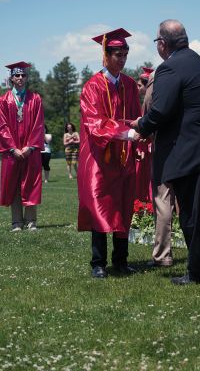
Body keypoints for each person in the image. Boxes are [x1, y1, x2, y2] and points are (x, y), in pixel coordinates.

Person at [131, 19, 200, 284]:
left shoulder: (170, 67)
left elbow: (161, 110)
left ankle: (199, 271)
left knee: (193, 215)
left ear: (162, 44)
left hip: (193, 152)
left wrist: (142, 125)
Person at [77, 28, 142, 278]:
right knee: (100, 205)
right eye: (117, 54)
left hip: (123, 157)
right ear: (105, 54)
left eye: (125, 53)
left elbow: (137, 118)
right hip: (99, 157)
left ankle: (121, 260)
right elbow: (94, 122)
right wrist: (124, 133)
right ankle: (98, 262)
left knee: (123, 205)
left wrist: (141, 133)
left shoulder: (128, 84)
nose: (122, 58)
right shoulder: (92, 86)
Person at [0, 61, 44, 231]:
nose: (20, 78)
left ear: (27, 77)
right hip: (11, 152)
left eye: (23, 75)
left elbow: (38, 124)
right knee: (14, 184)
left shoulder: (35, 99)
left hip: (30, 151)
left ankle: (31, 221)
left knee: (31, 183)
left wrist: (30, 146)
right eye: (17, 75)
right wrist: (12, 148)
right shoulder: (4, 101)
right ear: (11, 78)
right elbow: (2, 126)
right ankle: (17, 222)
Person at [142, 70, 177, 267]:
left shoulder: (159, 75)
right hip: (189, 145)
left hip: (164, 145)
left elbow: (149, 107)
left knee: (163, 198)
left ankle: (163, 254)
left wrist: (143, 127)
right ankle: (199, 252)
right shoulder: (192, 70)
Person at [135, 67, 154, 203]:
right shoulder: (143, 103)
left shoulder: (149, 103)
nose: (137, 87)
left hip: (149, 146)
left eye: (139, 85)